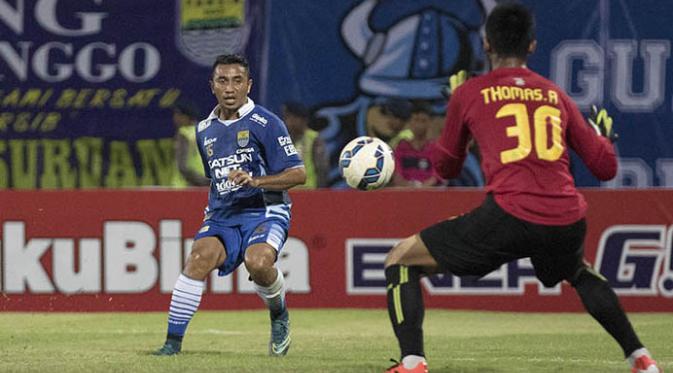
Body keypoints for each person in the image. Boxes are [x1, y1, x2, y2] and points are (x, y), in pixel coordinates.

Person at [383, 3, 660, 373]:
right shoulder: (555, 95)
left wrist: (457, 113)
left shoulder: (470, 92)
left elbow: (445, 166)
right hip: (565, 217)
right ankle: (641, 358)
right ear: (532, 46)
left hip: (508, 215)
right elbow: (605, 167)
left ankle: (413, 362)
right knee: (578, 271)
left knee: (400, 260)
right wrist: (602, 138)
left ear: (485, 44)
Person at [154, 54, 306, 357]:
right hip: (223, 214)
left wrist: (256, 181)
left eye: (237, 81)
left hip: (266, 210)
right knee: (198, 259)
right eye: (223, 80)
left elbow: (298, 174)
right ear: (212, 86)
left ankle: (279, 315)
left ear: (248, 85)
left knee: (258, 262)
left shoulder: (267, 123)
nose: (230, 88)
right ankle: (171, 345)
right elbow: (216, 179)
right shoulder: (203, 130)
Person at [391, 101, 444, 187]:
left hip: (429, 195)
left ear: (429, 123)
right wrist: (410, 189)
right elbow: (397, 177)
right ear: (410, 122)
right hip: (405, 194)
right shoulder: (400, 148)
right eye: (416, 120)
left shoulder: (436, 149)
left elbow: (436, 177)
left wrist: (421, 189)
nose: (419, 125)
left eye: (423, 121)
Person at [282, 102, 329, 188]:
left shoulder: (313, 139)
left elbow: (322, 169)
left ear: (302, 119)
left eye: (291, 118)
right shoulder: (283, 139)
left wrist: (321, 192)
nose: (287, 122)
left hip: (309, 193)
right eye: (286, 118)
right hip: (288, 194)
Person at [171, 99, 210, 187]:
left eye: (178, 115)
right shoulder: (205, 132)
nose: (175, 118)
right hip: (205, 185)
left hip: (185, 186)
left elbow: (182, 166)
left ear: (187, 117)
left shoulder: (184, 133)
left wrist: (201, 181)